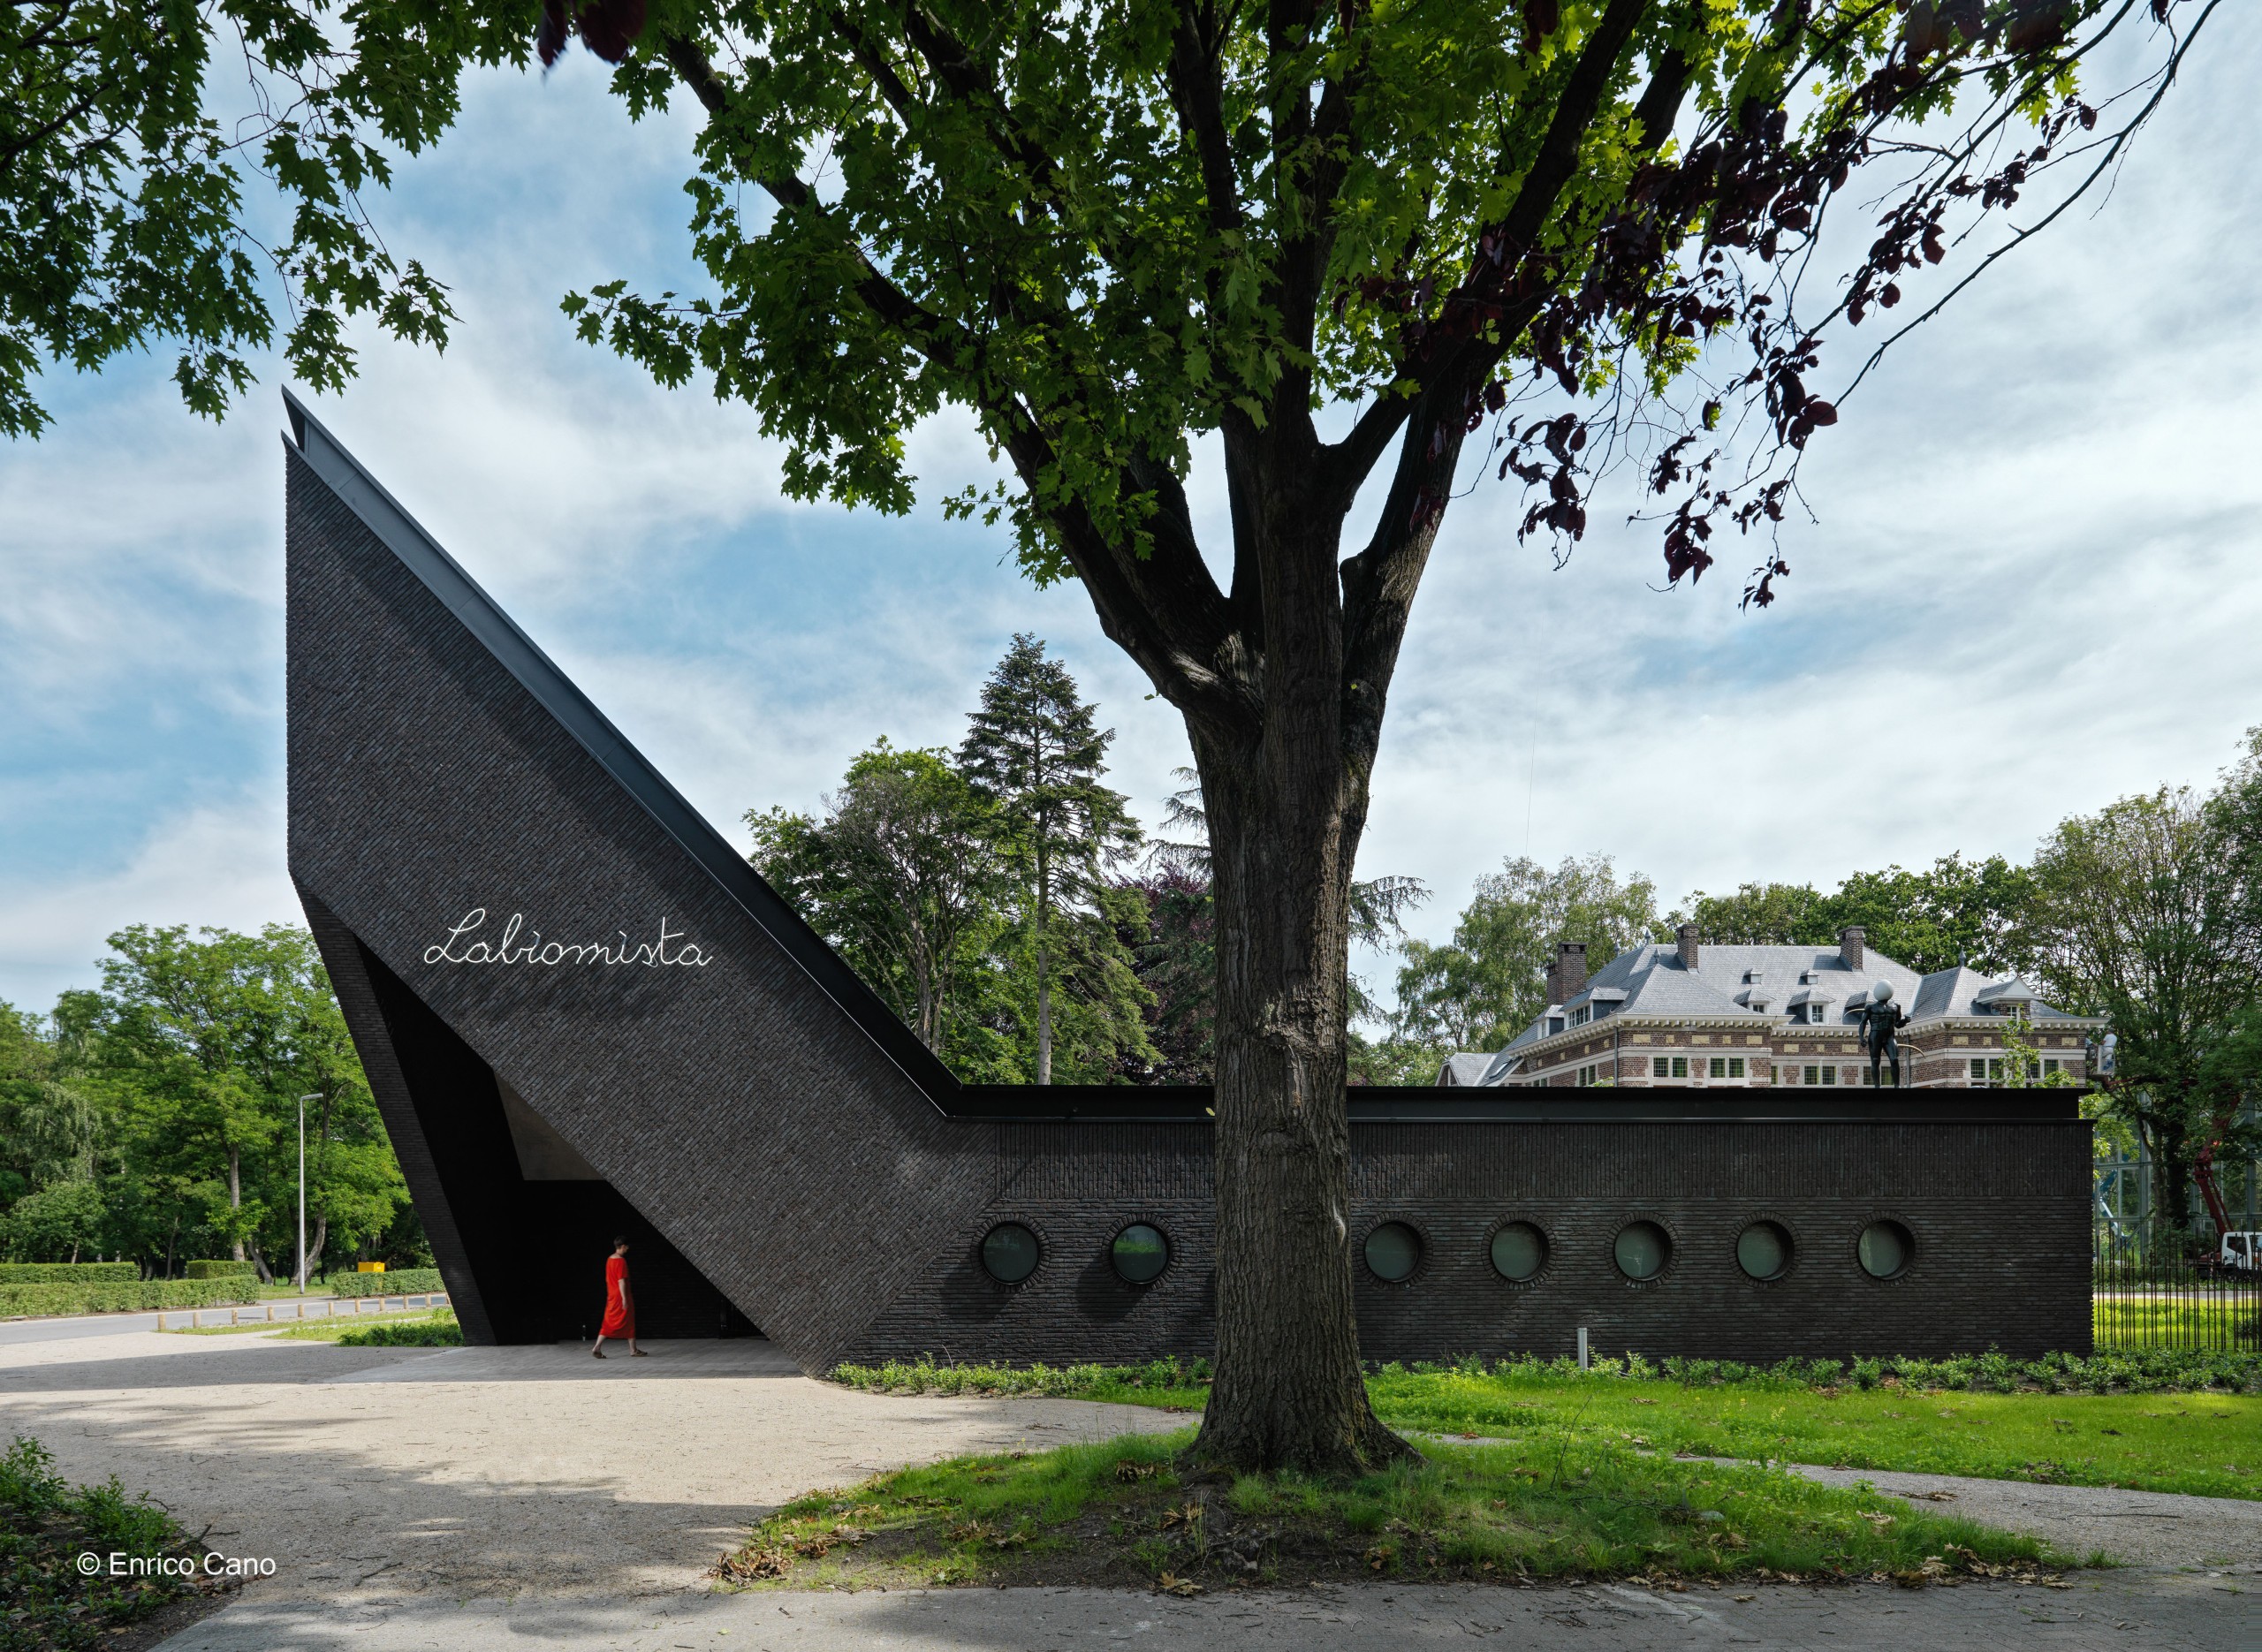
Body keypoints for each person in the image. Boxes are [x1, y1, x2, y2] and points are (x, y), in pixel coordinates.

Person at [591, 1236, 647, 1358]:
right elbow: (621, 1281)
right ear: (623, 1246)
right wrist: (624, 1298)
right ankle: (633, 1350)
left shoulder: (609, 1259)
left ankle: (597, 1346)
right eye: (627, 1247)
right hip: (621, 1295)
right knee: (629, 1321)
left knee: (608, 1321)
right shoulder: (621, 1261)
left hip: (611, 1295)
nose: (628, 1249)